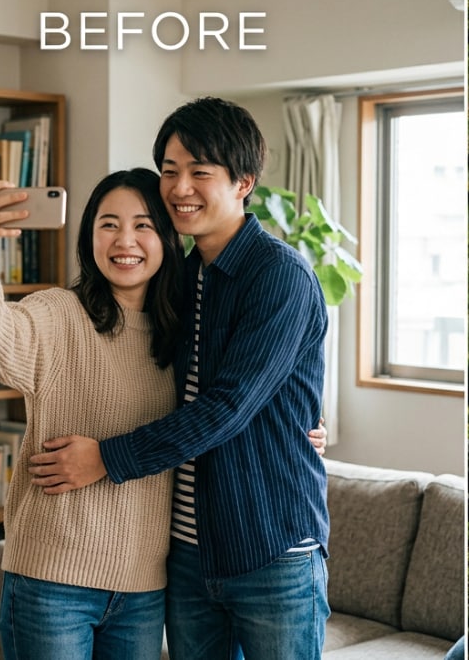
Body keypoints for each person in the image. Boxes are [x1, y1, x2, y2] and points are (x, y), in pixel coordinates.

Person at [26, 97, 331, 659]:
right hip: (187, 556)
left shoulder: (280, 276)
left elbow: (227, 407)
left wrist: (106, 458)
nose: (179, 187)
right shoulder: (179, 278)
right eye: (170, 171)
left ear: (243, 182)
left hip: (272, 549)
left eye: (199, 172)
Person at [0, 169, 183, 659]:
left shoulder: (183, 333)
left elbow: (230, 404)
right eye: (108, 224)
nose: (126, 241)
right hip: (50, 582)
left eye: (144, 225)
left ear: (167, 237)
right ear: (88, 236)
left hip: (143, 588)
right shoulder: (59, 312)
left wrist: (302, 428)